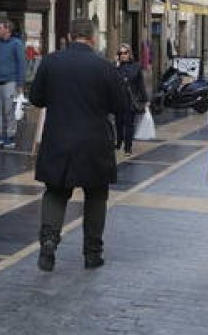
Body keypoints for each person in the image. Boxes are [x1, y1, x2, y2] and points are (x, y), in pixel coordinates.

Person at [31, 18, 130, 271]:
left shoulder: (51, 62)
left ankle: (49, 242)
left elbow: (36, 98)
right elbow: (120, 106)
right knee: (96, 194)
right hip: (94, 140)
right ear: (93, 38)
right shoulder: (104, 66)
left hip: (58, 138)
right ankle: (92, 253)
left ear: (69, 35)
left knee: (55, 191)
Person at [0, 20, 26, 148]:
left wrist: (20, 84)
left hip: (10, 82)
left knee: (9, 110)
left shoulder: (16, 44)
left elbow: (21, 64)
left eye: (0, 28)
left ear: (7, 30)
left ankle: (10, 137)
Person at [114, 44, 146, 156]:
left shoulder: (136, 66)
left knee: (129, 124)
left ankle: (128, 147)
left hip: (130, 100)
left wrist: (145, 100)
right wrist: (117, 66)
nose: (123, 55)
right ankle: (119, 142)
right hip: (118, 100)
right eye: (120, 53)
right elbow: (112, 80)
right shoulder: (116, 67)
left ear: (129, 53)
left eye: (125, 53)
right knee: (118, 123)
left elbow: (140, 84)